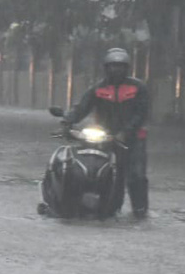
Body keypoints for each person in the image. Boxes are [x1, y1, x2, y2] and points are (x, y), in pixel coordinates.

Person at [62, 47, 150, 217]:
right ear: (106, 67)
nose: (116, 70)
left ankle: (140, 211)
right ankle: (107, 207)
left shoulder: (138, 88)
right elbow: (82, 108)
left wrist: (127, 132)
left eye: (120, 66)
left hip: (133, 140)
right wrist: (68, 121)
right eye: (112, 66)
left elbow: (142, 113)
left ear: (126, 68)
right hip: (104, 139)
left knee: (136, 175)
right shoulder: (98, 89)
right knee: (102, 172)